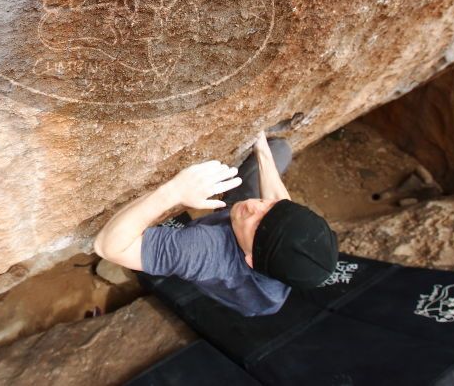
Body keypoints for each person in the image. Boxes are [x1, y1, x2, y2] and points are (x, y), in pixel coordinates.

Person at [93, 130, 338, 316]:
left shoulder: (207, 251)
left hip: (250, 297)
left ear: (250, 260)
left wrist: (174, 192)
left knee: (167, 250)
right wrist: (260, 144)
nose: (254, 206)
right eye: (272, 210)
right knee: (279, 150)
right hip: (263, 264)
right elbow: (277, 205)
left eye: (258, 226)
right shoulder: (272, 236)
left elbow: (108, 247)